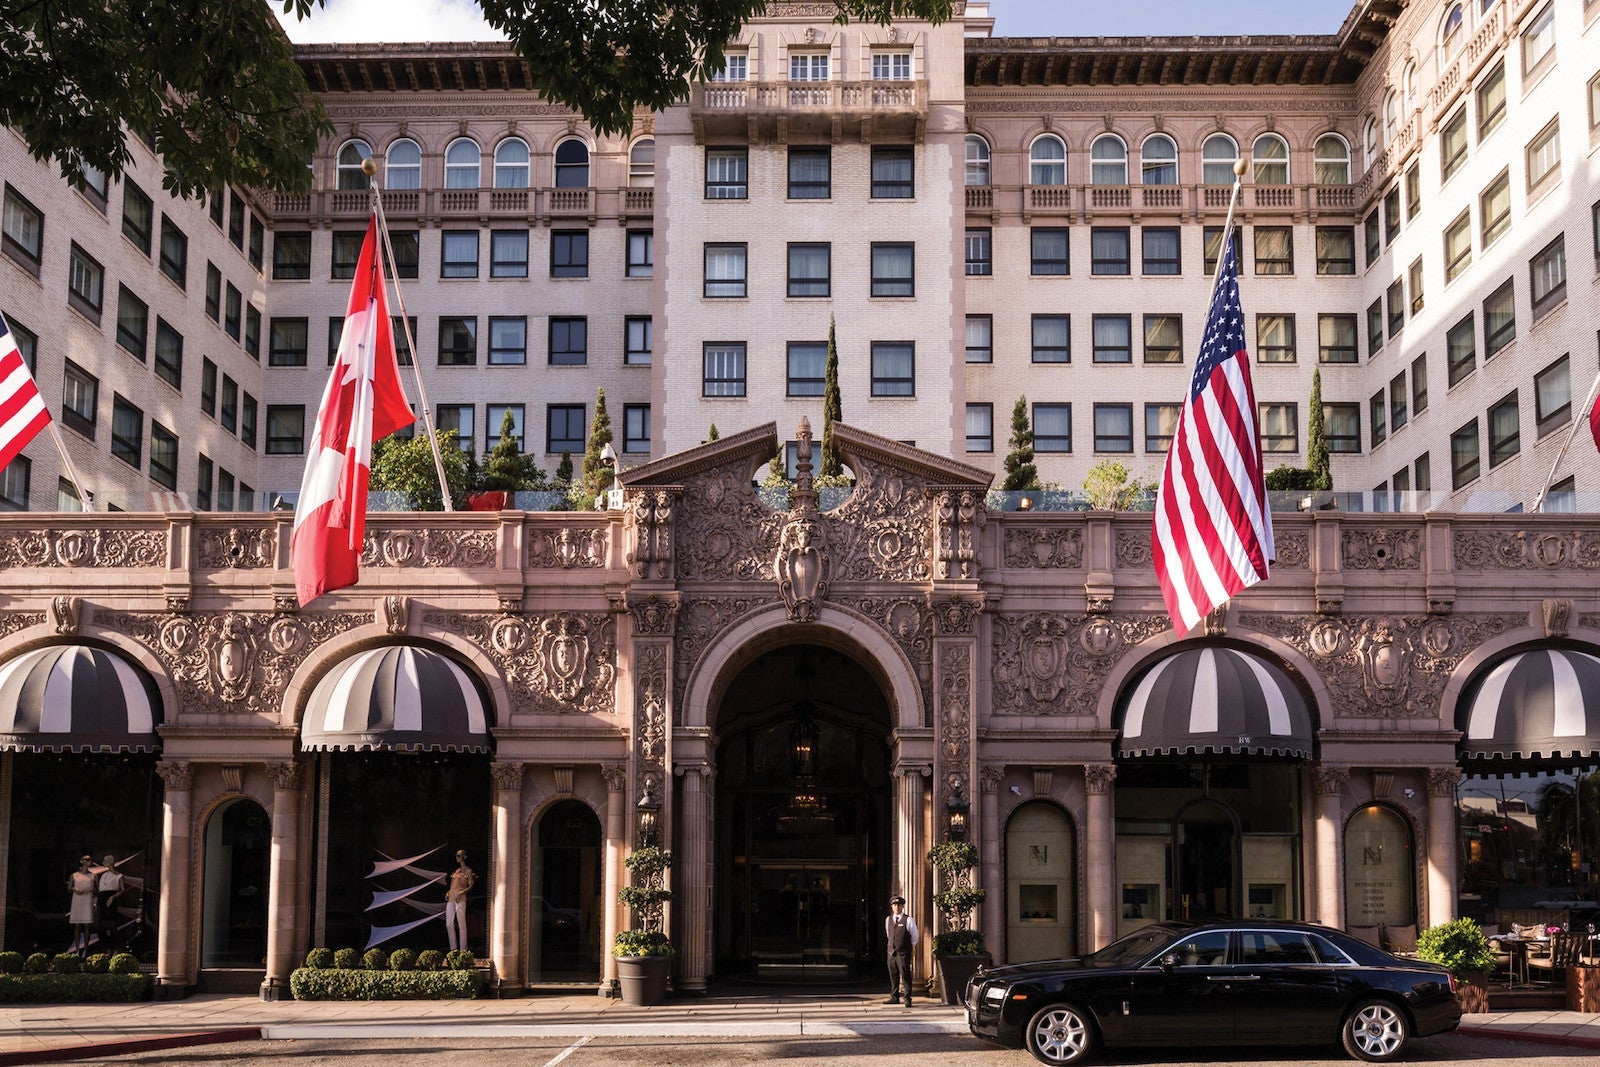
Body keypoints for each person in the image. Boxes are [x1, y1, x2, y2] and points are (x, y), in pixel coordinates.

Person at [884, 895, 919, 1007]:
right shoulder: (888, 919)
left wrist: (908, 947)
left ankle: (907, 998)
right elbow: (889, 935)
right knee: (893, 975)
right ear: (891, 906)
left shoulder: (908, 920)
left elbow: (915, 936)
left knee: (905, 975)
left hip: (903, 952)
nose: (897, 907)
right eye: (894, 905)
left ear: (903, 906)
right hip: (891, 952)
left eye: (899, 905)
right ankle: (894, 997)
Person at [445, 850, 474, 954]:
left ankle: (463, 950)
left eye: (459, 855)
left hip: (460, 899)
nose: (457, 857)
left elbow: (471, 885)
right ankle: (453, 949)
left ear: (464, 857)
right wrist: (449, 892)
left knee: (461, 923)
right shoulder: (456, 871)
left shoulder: (468, 871)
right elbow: (453, 884)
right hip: (451, 898)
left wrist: (461, 893)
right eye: (456, 855)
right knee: (449, 923)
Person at [95, 855, 125, 950]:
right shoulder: (104, 875)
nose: (103, 862)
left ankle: (114, 948)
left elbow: (123, 890)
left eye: (105, 861)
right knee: (100, 926)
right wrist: (96, 881)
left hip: (111, 898)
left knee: (111, 924)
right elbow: (100, 889)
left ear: (110, 862)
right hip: (101, 899)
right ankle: (105, 948)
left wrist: (113, 897)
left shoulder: (119, 876)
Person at [67, 855, 96, 954]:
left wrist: (91, 888)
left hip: (87, 900)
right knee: (77, 925)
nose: (89, 862)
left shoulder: (93, 875)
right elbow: (69, 888)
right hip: (77, 901)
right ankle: (77, 949)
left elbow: (98, 888)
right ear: (82, 861)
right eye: (87, 860)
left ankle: (85, 950)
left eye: (90, 860)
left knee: (87, 925)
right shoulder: (74, 875)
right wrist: (74, 889)